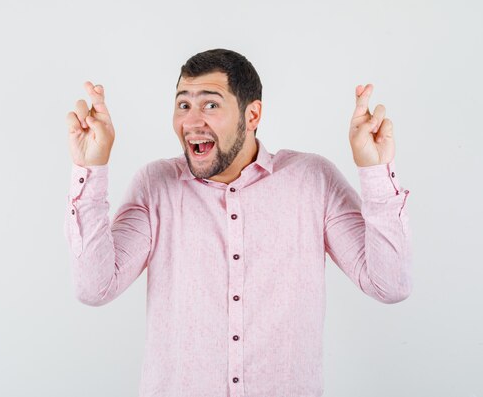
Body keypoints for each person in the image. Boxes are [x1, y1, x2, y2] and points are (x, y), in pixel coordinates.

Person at [64, 48, 412, 397]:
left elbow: (389, 284)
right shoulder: (156, 185)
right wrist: (91, 168)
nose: (192, 121)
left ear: (252, 114)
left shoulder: (311, 180)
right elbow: (95, 288)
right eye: (183, 105)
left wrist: (375, 171)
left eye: (211, 105)